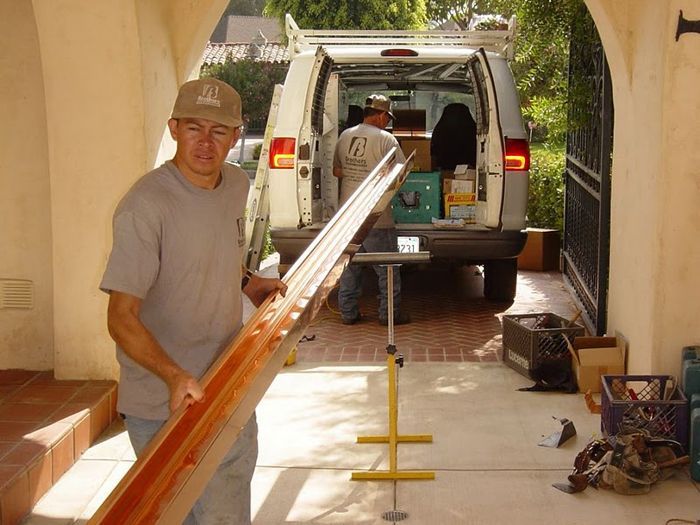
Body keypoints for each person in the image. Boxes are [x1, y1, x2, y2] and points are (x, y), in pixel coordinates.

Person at [100, 77, 286, 525]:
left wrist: (246, 282)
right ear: (173, 128)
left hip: (226, 384)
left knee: (227, 511)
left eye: (219, 131)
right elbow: (121, 318)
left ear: (236, 137)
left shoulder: (236, 185)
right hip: (163, 404)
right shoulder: (145, 207)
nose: (205, 142)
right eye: (193, 128)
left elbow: (212, 253)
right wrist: (173, 376)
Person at [333, 94, 410, 326]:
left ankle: (348, 313)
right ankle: (389, 315)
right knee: (387, 269)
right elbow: (401, 174)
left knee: (349, 268)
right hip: (377, 217)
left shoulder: (345, 135)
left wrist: (356, 175)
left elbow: (337, 171)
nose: (387, 122)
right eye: (387, 117)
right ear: (380, 115)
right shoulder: (387, 140)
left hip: (348, 216)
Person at [430, 102, 477, 169]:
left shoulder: (439, 131)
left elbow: (433, 154)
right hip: (467, 172)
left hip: (443, 172)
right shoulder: (472, 131)